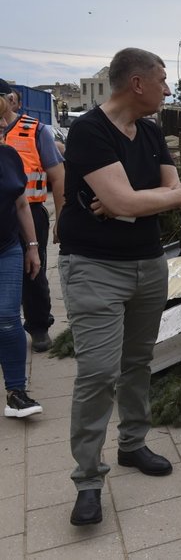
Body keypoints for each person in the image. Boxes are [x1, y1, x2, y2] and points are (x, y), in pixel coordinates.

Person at [57, 48, 181, 526]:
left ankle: (133, 444)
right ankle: (88, 480)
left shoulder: (153, 133)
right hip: (94, 267)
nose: (168, 89)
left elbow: (177, 193)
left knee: (138, 362)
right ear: (137, 84)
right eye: (162, 80)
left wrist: (131, 204)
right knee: (97, 372)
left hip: (148, 264)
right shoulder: (89, 131)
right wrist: (132, 200)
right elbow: (130, 196)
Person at [1, 78, 66, 353]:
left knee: (33, 270)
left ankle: (38, 326)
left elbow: (58, 175)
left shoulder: (35, 130)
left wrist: (61, 218)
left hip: (31, 211)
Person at [1, 94, 43, 418]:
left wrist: (32, 247)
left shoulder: (9, 157)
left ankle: (17, 392)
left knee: (8, 319)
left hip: (7, 249)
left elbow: (20, 203)